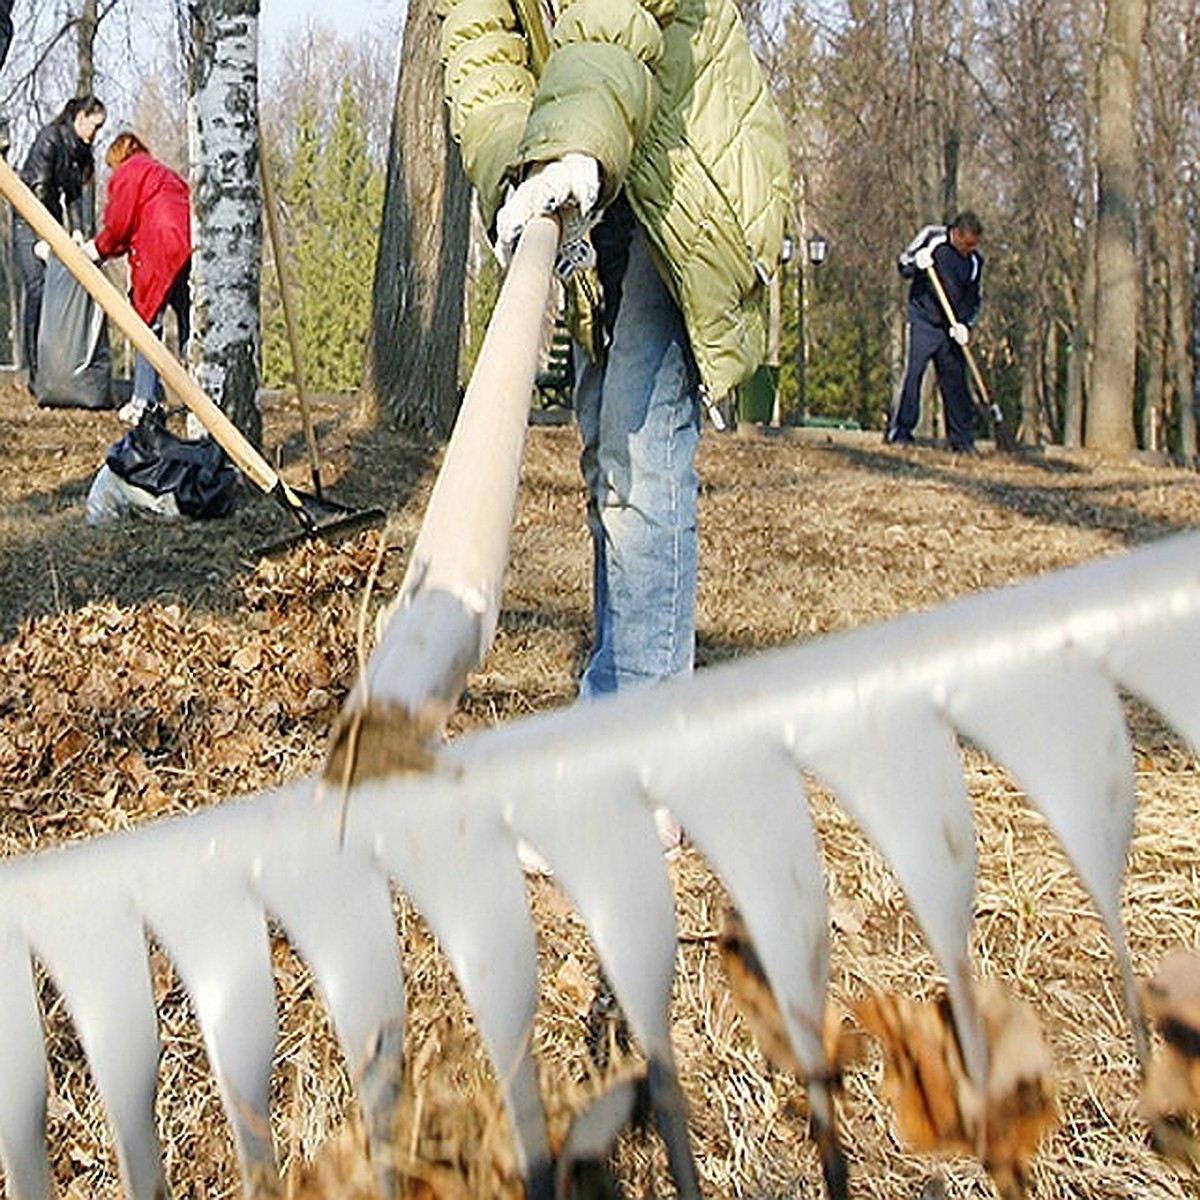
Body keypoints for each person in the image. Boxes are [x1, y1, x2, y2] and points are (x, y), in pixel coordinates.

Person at [438, 0, 790, 700]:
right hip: (595, 163)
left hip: (684, 174)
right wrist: (524, 165)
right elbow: (482, 49)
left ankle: (646, 746)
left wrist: (570, 140)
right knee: (607, 443)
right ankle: (617, 688)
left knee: (642, 445)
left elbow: (613, 13)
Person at [83, 131, 192, 425]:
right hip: (189, 245)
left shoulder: (128, 173)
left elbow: (119, 225)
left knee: (145, 323)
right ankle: (201, 395)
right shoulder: (162, 173)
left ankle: (145, 400)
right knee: (190, 321)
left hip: (158, 247)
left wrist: (97, 249)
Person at [12, 94, 107, 387]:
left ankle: (56, 367)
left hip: (51, 224)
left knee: (57, 292)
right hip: (29, 221)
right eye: (95, 126)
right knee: (38, 289)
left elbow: (75, 195)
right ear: (80, 118)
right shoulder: (50, 139)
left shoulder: (79, 151)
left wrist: (78, 231)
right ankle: (34, 371)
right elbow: (39, 187)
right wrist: (44, 235)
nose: (96, 134)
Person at [887, 210, 984, 453]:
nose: (970, 249)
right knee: (914, 374)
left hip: (950, 329)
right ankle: (901, 431)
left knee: (955, 383)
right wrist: (917, 263)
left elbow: (973, 300)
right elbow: (903, 264)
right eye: (967, 243)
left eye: (974, 244)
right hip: (923, 321)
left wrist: (965, 325)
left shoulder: (974, 261)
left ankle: (961, 440)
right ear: (957, 234)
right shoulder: (932, 238)